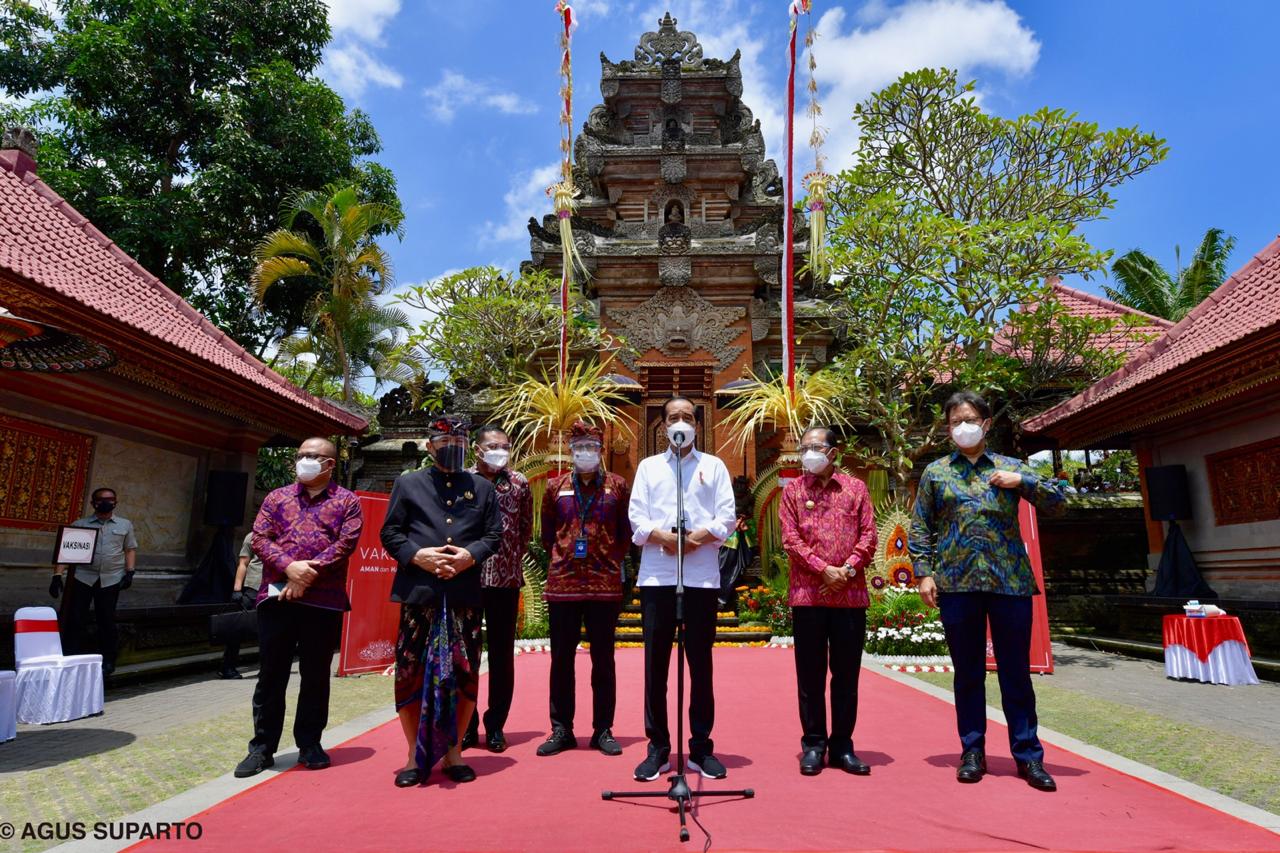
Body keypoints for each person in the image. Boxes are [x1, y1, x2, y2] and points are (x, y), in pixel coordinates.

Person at [909, 390, 1066, 792]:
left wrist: (1024, 480)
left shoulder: (1011, 467)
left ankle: (1029, 756)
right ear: (947, 429)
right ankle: (972, 751)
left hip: (1009, 582)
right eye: (955, 421)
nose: (963, 427)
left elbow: (1060, 503)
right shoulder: (937, 472)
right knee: (968, 674)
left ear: (986, 423)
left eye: (969, 420)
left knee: (1016, 673)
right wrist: (924, 573)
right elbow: (921, 527)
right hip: (958, 585)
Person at [380, 415, 503, 788]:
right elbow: (391, 532)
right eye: (445, 442)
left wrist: (469, 555)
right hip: (420, 593)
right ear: (430, 445)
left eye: (460, 443)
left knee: (464, 673)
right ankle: (413, 755)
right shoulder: (408, 483)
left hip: (464, 594)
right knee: (411, 672)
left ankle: (453, 753)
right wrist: (418, 556)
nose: (453, 450)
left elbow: (493, 535)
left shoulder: (481, 488)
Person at [233, 437, 362, 779]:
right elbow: (259, 538)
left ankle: (310, 743)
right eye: (301, 455)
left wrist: (306, 575)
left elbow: (345, 544)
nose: (304, 460)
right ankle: (262, 747)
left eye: (313, 456)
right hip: (277, 597)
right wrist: (290, 567)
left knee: (316, 675)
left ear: (330, 464)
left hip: (323, 600)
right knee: (271, 674)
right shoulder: (277, 498)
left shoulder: (347, 501)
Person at [628, 396, 737, 782]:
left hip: (701, 578)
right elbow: (637, 518)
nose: (680, 422)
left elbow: (727, 516)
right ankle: (657, 747)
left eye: (687, 417)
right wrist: (664, 538)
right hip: (658, 577)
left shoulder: (714, 466)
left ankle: (701, 747)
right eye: (673, 416)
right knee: (655, 667)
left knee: (700, 666)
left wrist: (698, 537)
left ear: (697, 424)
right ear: (662, 424)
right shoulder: (648, 468)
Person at [779, 427, 878, 777]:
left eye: (815, 447)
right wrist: (824, 570)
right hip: (808, 595)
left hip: (850, 596)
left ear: (833, 453)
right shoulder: (792, 491)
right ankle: (813, 744)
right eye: (804, 448)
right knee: (810, 675)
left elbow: (869, 535)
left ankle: (842, 746)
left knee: (846, 675)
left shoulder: (856, 489)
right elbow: (790, 540)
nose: (808, 453)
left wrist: (846, 569)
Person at [536, 421, 632, 759]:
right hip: (563, 584)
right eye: (580, 447)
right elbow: (547, 534)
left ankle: (603, 728)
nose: (585, 453)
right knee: (561, 660)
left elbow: (625, 534)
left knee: (603, 660)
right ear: (571, 450)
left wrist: (609, 560)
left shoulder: (617, 487)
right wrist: (563, 557)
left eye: (592, 447)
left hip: (604, 585)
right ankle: (561, 728)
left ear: (601, 450)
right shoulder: (554, 487)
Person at [462, 424, 533, 753]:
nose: (499, 451)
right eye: (493, 446)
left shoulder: (519, 483)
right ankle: (466, 723)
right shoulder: (460, 481)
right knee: (466, 655)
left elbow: (524, 530)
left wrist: (509, 559)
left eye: (504, 446)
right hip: (467, 579)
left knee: (503, 656)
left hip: (505, 581)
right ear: (478, 449)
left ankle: (495, 725)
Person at [51, 486, 137, 677]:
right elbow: (67, 552)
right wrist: (57, 576)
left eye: (110, 499)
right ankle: (70, 657)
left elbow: (130, 549)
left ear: (115, 502)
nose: (106, 502)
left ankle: (108, 660)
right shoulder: (80, 524)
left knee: (106, 620)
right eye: (101, 499)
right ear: (93, 503)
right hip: (83, 577)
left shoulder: (124, 525)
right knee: (75, 618)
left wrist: (130, 572)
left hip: (111, 578)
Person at [219, 530, 263, 680]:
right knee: (237, 628)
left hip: (273, 589)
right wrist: (237, 589)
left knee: (269, 630)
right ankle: (227, 667)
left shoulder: (284, 536)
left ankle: (266, 668)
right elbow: (243, 563)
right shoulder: (252, 536)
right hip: (253, 587)